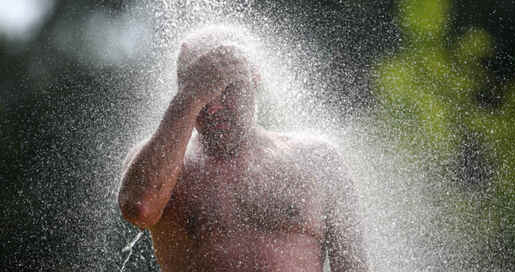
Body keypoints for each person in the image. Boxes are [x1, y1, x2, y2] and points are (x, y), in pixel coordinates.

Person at [118, 25, 368, 272]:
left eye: (226, 87)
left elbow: (354, 268)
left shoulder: (318, 159)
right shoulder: (164, 163)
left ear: (255, 76)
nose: (212, 105)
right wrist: (190, 96)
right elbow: (139, 207)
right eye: (200, 90)